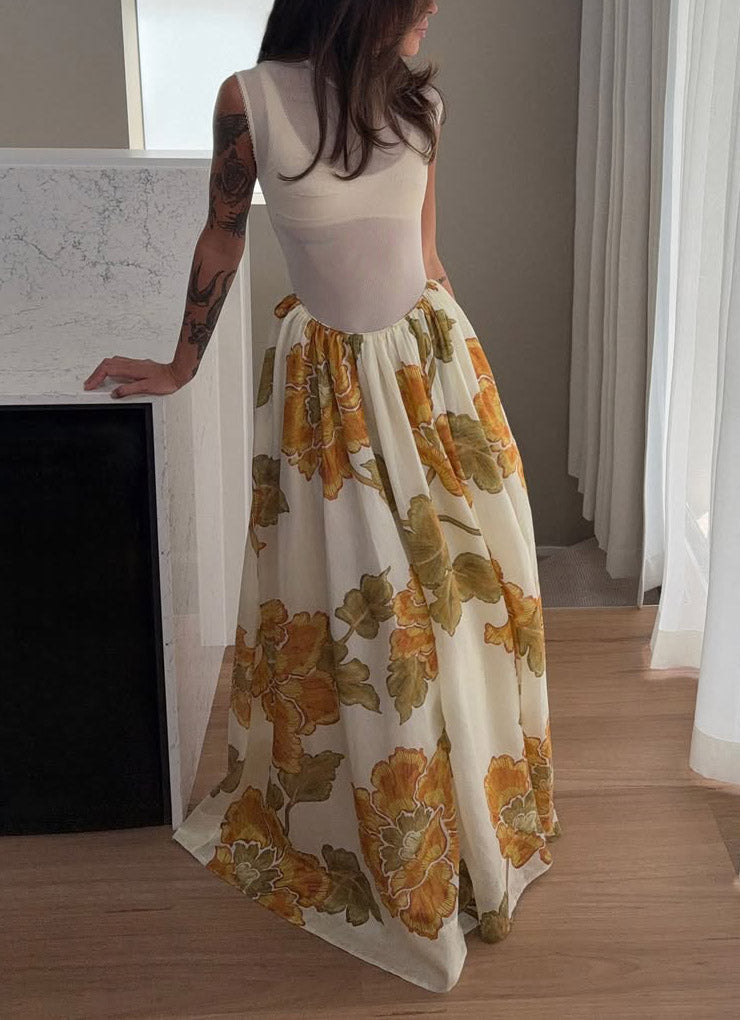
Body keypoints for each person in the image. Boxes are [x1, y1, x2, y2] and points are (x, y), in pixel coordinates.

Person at [85, 0, 562, 994]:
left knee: (471, 606)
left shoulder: (420, 104)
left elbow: (427, 258)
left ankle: (467, 827)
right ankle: (388, 836)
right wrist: (179, 364)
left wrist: (467, 411)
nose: (432, 10)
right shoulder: (251, 102)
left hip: (429, 376)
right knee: (378, 626)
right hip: (328, 401)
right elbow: (222, 242)